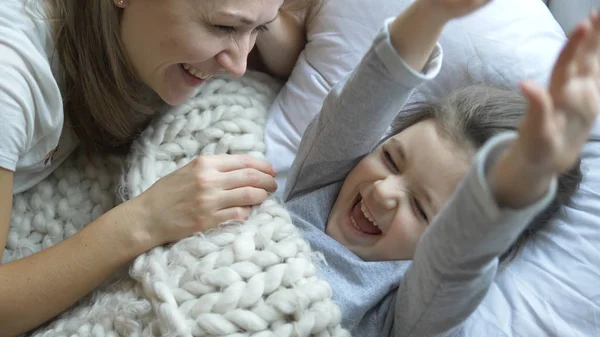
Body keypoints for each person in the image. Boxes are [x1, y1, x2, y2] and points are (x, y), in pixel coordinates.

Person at [281, 0, 600, 336]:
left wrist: (528, 171)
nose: (383, 190)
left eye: (420, 209)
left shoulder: (403, 310)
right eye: (390, 159)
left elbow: (458, 260)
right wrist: (431, 13)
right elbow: (360, 106)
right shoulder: (320, 186)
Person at [0, 0, 318, 335]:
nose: (240, 64)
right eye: (224, 27)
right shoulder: (10, 80)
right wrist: (145, 219)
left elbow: (293, 54)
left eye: (260, 30)